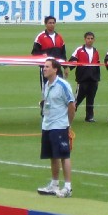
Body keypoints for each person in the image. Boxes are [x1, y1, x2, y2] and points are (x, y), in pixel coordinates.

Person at [37, 59, 75, 198]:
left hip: (59, 125)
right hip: (47, 124)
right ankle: (54, 184)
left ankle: (68, 187)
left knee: (64, 155)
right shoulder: (47, 84)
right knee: (53, 155)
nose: (44, 69)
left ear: (55, 69)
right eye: (44, 67)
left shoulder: (63, 85)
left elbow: (71, 105)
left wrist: (68, 124)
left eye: (47, 67)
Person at [68, 31, 100, 122]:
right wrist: (72, 64)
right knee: (77, 98)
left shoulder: (95, 51)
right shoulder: (79, 50)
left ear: (94, 40)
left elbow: (97, 64)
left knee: (91, 98)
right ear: (85, 39)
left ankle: (89, 117)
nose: (90, 40)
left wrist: (97, 78)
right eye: (88, 38)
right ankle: (69, 114)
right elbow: (72, 60)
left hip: (93, 79)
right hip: (82, 79)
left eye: (91, 38)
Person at [32, 16, 66, 89]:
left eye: (53, 23)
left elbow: (63, 54)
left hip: (57, 68)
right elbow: (34, 53)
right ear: (45, 24)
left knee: (59, 88)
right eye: (50, 23)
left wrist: (65, 67)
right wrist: (41, 55)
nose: (52, 24)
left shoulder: (59, 37)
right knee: (46, 89)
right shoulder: (40, 37)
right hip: (46, 68)